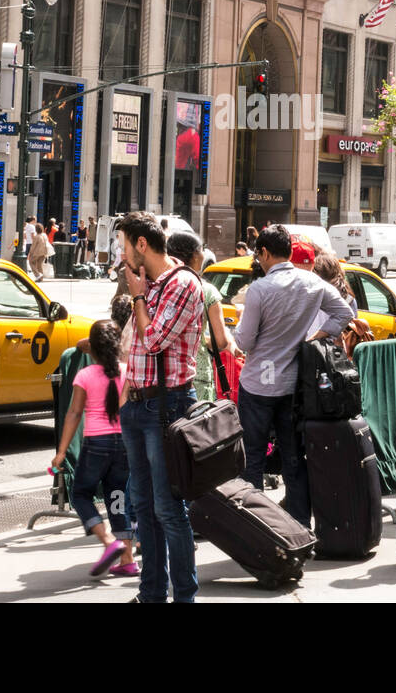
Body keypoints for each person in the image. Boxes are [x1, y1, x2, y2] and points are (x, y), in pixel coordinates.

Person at [235, 225, 353, 525]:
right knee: (293, 460)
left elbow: (244, 341)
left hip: (257, 385)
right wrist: (315, 338)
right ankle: (300, 526)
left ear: (263, 253)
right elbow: (345, 313)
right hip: (295, 385)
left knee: (254, 461)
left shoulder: (260, 289)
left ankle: (259, 528)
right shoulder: (312, 283)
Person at [117, 211, 205, 603]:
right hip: (137, 405)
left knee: (169, 508)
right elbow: (128, 343)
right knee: (143, 508)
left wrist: (136, 295)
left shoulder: (182, 283)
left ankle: (184, 595)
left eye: (123, 246)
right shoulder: (149, 285)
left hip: (165, 406)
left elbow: (153, 340)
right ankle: (151, 593)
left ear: (141, 244)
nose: (120, 257)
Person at [50, 319, 137, 579]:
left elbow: (74, 414)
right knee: (118, 498)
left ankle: (108, 540)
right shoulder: (128, 371)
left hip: (96, 443)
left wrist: (62, 451)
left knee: (81, 494)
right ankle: (128, 560)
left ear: (94, 349)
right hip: (124, 445)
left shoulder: (85, 375)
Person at [166, 231, 233, 404]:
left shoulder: (161, 285)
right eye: (202, 249)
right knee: (197, 428)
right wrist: (203, 339)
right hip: (197, 374)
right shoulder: (207, 290)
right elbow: (222, 342)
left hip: (164, 375)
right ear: (195, 256)